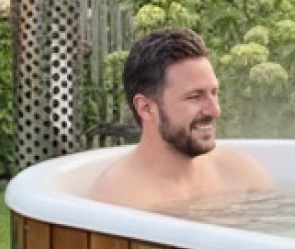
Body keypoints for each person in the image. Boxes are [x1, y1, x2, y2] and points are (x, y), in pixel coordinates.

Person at [89, 28, 272, 207]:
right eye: (194, 97)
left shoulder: (241, 175)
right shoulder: (119, 200)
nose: (214, 110)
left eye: (214, 93)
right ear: (145, 108)